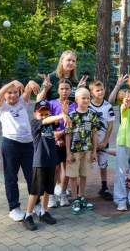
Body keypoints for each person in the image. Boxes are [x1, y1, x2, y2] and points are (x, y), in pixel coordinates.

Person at [0, 79, 41, 221]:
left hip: (28, 145)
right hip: (11, 146)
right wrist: (13, 82)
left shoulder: (22, 102)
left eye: (15, 92)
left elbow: (27, 90)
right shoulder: (2, 106)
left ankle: (36, 204)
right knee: (11, 178)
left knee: (32, 177)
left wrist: (32, 82)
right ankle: (14, 208)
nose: (13, 95)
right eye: (9, 93)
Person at [22, 100, 72, 231]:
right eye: (41, 114)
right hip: (39, 162)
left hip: (51, 161)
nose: (44, 116)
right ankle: (28, 215)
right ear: (35, 114)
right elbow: (46, 122)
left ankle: (43, 212)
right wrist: (61, 116)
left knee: (47, 190)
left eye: (47, 114)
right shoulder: (35, 123)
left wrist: (64, 113)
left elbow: (55, 122)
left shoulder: (50, 123)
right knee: (35, 191)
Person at [37, 77, 77, 208]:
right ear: (58, 90)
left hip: (69, 144)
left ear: (71, 90)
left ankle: (63, 194)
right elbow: (48, 123)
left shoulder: (74, 106)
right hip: (55, 143)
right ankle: (52, 196)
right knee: (55, 170)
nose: (64, 91)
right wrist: (57, 137)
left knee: (67, 169)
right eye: (62, 89)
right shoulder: (52, 104)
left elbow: (75, 126)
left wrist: (65, 138)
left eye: (67, 89)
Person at [65, 88, 100, 214]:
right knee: (73, 175)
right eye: (83, 98)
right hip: (74, 151)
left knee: (84, 174)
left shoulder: (92, 114)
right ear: (76, 100)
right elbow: (68, 135)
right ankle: (74, 199)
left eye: (88, 98)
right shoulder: (71, 116)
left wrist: (95, 151)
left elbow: (95, 134)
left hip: (87, 150)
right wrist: (68, 153)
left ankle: (81, 196)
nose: (86, 100)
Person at [88, 80, 116, 201]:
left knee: (103, 165)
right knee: (86, 166)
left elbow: (110, 126)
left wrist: (104, 142)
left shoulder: (108, 106)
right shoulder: (88, 106)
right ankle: (80, 190)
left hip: (102, 142)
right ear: (91, 93)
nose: (100, 92)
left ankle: (104, 188)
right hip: (89, 144)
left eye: (102, 90)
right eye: (97, 90)